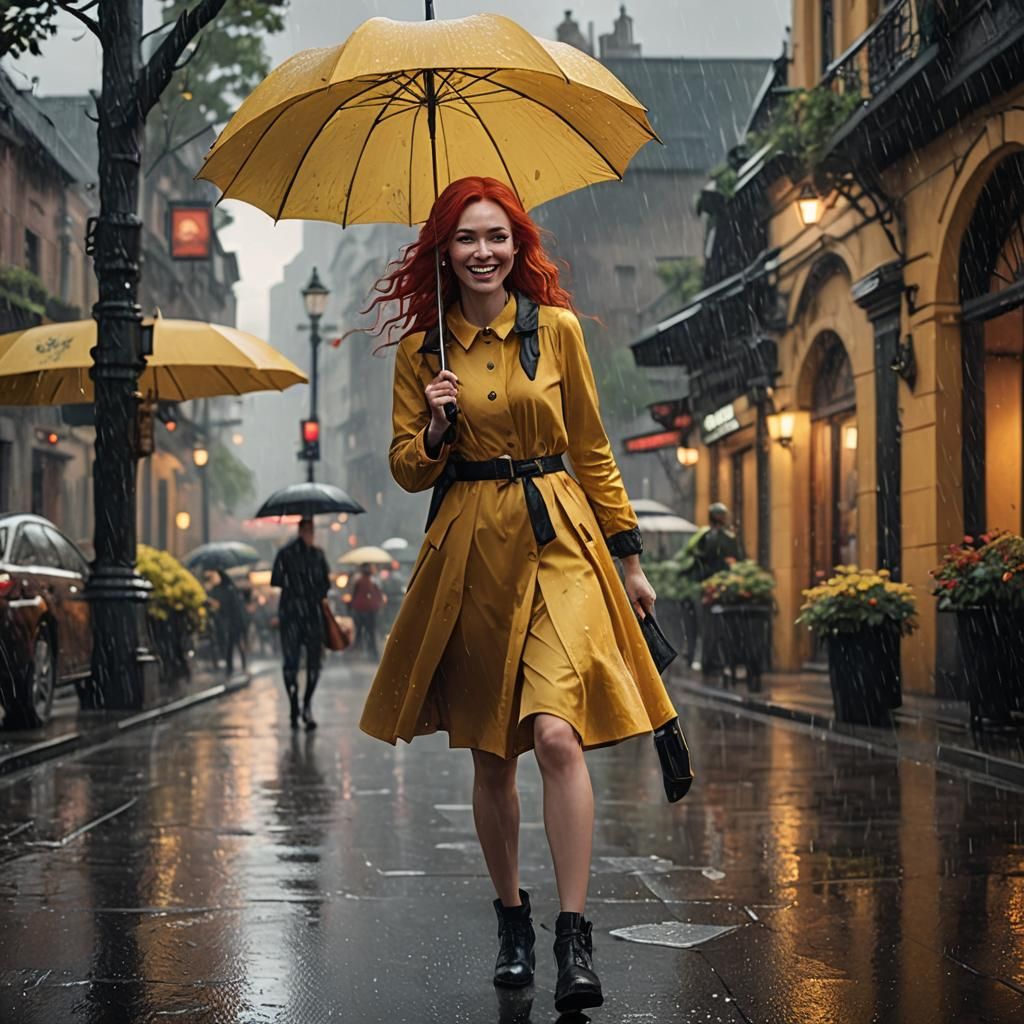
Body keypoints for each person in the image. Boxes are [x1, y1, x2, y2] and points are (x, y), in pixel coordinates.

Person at [357, 177, 678, 1014]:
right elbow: (404, 467)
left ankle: (573, 935)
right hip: (470, 547)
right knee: (493, 753)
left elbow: (594, 449)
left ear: (517, 244)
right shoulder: (423, 352)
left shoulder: (560, 331)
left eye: (497, 235)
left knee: (557, 737)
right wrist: (432, 426)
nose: (484, 251)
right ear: (444, 253)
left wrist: (630, 557)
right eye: (466, 239)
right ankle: (512, 920)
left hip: (560, 539)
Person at [271, 518, 330, 730]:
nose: (310, 535)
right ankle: (299, 704)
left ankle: (303, 705)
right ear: (302, 531)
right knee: (295, 663)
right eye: (308, 531)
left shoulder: (304, 554)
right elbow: (324, 585)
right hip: (299, 614)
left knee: (305, 663)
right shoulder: (301, 554)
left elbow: (277, 579)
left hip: (299, 614)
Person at [691, 502, 745, 673]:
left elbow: (698, 560)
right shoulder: (729, 538)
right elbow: (738, 560)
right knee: (725, 626)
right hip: (726, 587)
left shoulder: (706, 537)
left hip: (710, 587)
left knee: (709, 625)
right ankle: (726, 661)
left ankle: (710, 661)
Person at [209, 569, 248, 676]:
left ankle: (234, 667)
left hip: (233, 622)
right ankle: (231, 668)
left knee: (233, 645)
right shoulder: (223, 589)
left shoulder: (228, 589)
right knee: (232, 645)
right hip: (229, 622)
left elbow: (230, 606)